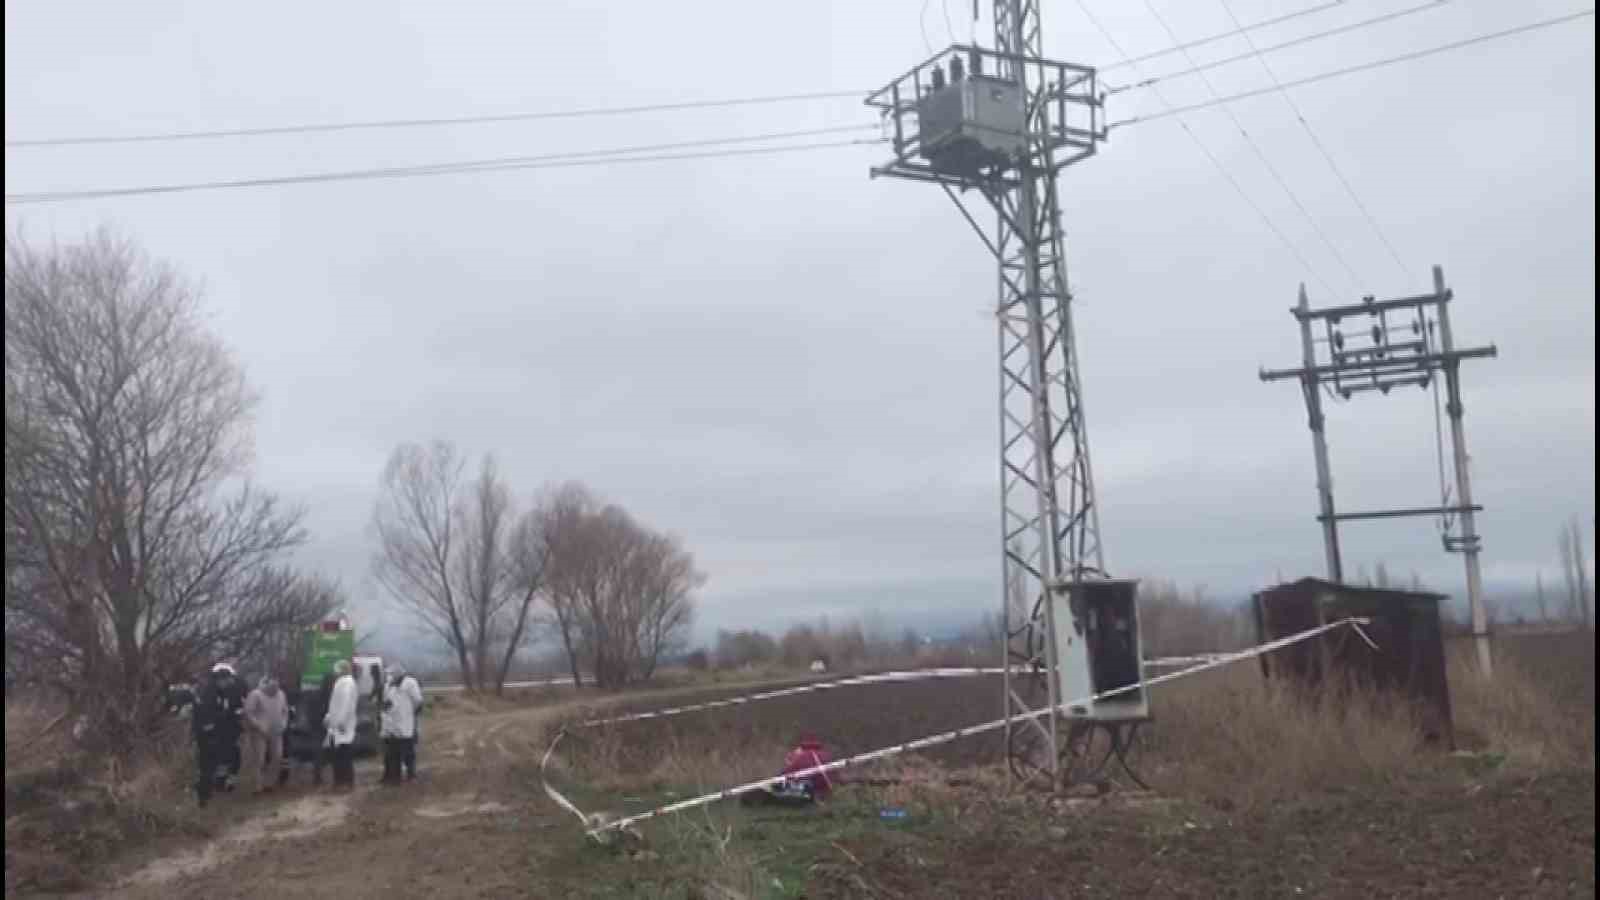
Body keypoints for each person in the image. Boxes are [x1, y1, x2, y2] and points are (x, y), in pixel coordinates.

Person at [191, 663, 245, 807]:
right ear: (219, 679)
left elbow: (226, 711)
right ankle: (202, 797)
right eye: (226, 680)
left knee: (219, 762)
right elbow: (208, 717)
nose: (229, 683)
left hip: (217, 734)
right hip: (207, 735)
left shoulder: (222, 692)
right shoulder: (208, 693)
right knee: (207, 766)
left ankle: (211, 789)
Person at [379, 664, 425, 785]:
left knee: (408, 752)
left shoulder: (409, 683)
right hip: (391, 724)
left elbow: (418, 701)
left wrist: (411, 714)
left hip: (405, 723)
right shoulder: (389, 685)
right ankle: (394, 776)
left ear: (398, 673)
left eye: (392, 674)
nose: (390, 676)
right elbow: (386, 701)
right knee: (392, 752)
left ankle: (411, 775)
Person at [243, 676, 289, 795]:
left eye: (277, 687)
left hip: (277, 731)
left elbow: (285, 711)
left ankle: (269, 783)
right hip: (259, 732)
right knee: (260, 759)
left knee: (277, 757)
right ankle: (258, 786)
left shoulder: (281, 694)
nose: (274, 690)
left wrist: (284, 724)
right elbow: (249, 712)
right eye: (272, 687)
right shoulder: (255, 695)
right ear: (266, 685)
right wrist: (257, 725)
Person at [323, 660, 359, 790]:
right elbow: (334, 703)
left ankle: (347, 783)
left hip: (343, 725)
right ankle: (339, 781)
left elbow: (346, 704)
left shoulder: (348, 683)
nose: (335, 672)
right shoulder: (340, 682)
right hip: (336, 724)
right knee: (337, 755)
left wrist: (342, 721)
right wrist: (328, 716)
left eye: (337, 669)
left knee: (344, 754)